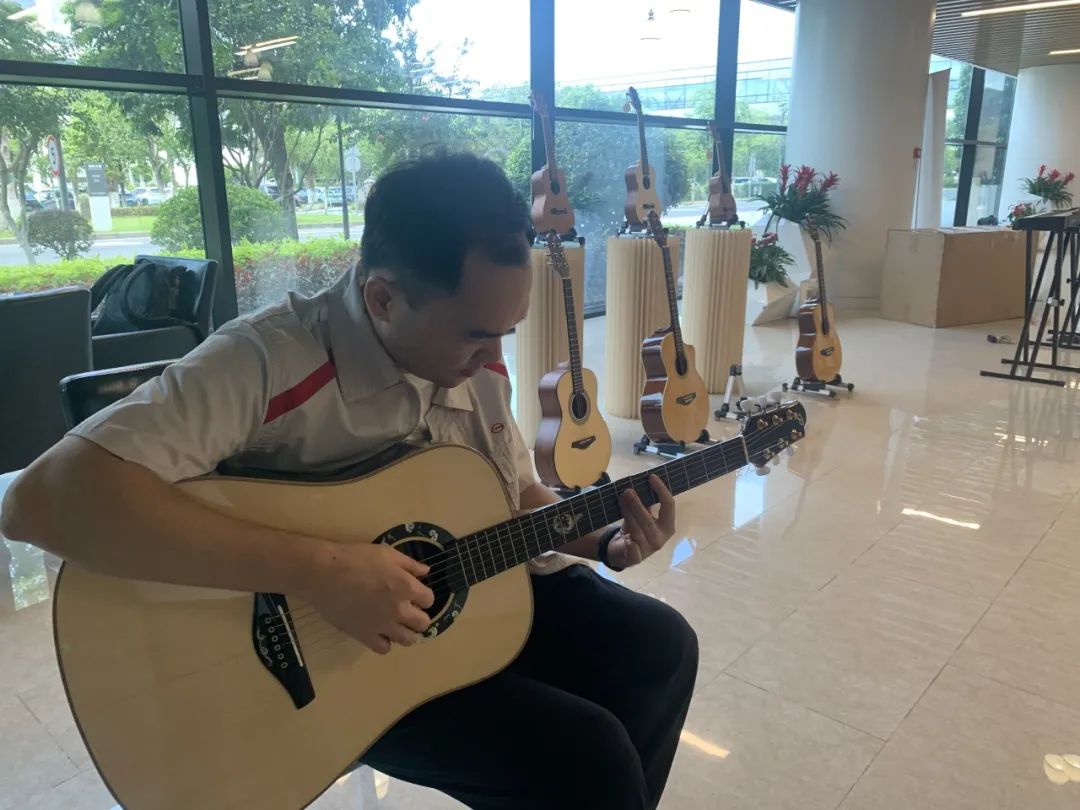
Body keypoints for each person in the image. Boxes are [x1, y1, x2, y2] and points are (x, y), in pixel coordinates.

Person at [2, 152, 698, 810]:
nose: (494, 355)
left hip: (471, 599)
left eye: (506, 330)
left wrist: (604, 539)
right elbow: (40, 501)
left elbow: (513, 493)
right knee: (587, 758)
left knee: (660, 650)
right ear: (383, 298)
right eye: (475, 334)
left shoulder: (475, 360)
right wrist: (321, 572)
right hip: (326, 667)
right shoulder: (267, 360)